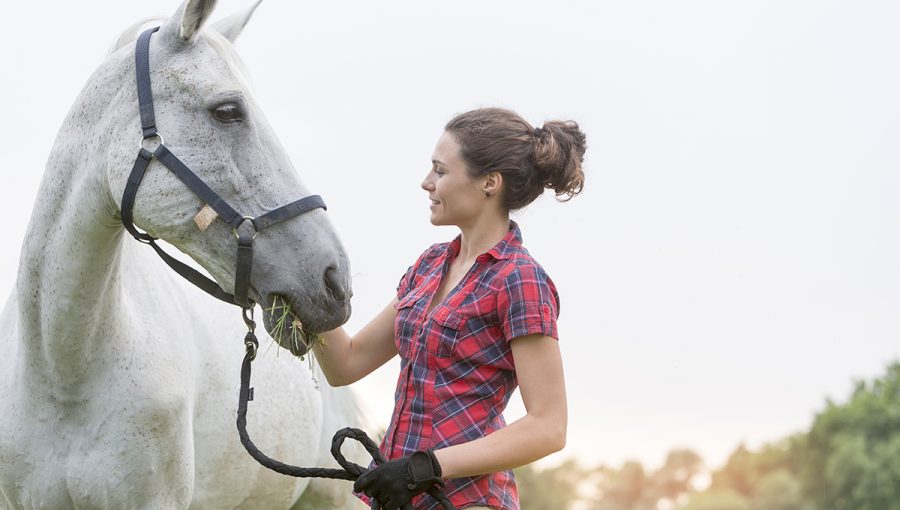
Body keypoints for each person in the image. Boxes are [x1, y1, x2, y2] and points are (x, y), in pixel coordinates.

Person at [316, 107, 586, 510]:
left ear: (489, 183)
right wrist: (298, 292)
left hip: (468, 501)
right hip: (399, 500)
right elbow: (346, 364)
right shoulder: (429, 265)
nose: (426, 183)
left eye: (440, 171)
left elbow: (549, 426)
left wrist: (422, 469)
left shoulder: (520, 280)